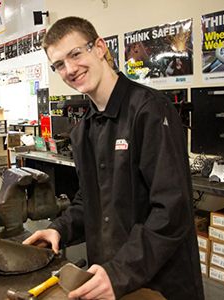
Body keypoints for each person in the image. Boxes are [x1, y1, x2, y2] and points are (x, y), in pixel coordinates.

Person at [23, 16, 203, 300]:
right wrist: (59, 229)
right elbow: (90, 201)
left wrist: (120, 272)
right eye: (59, 64)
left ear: (99, 47)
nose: (70, 69)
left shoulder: (150, 110)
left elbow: (172, 210)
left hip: (160, 284)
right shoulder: (83, 131)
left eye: (75, 54)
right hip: (106, 279)